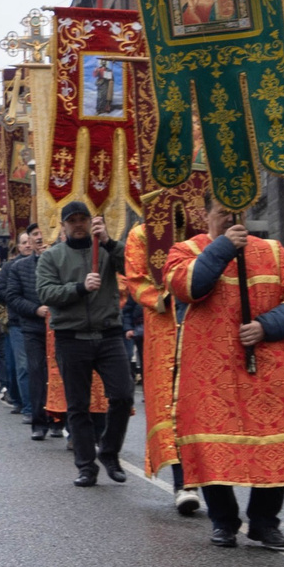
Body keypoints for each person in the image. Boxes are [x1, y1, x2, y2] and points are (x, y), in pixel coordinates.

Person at [163, 199, 284, 547]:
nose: (230, 218)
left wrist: (267, 326)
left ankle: (265, 522)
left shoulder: (273, 251)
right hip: (211, 375)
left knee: (275, 448)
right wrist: (224, 247)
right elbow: (187, 287)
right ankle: (223, 521)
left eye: (236, 213)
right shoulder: (185, 250)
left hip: (269, 369)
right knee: (211, 447)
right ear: (206, 214)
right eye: (222, 212)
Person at [38, 200, 133, 487]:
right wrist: (79, 288)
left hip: (108, 335)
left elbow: (132, 265)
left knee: (122, 396)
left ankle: (109, 452)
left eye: (83, 219)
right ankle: (85, 466)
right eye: (72, 220)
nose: (78, 224)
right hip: (71, 337)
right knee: (78, 405)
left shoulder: (104, 251)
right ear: (64, 225)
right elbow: (45, 292)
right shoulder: (52, 257)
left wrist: (109, 242)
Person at [120, 213, 193, 510]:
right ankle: (183, 483)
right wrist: (163, 296)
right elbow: (135, 279)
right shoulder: (141, 235)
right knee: (173, 406)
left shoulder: (200, 228)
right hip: (165, 328)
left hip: (205, 326)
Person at [0, 226, 50, 437]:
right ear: (19, 246)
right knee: (28, 368)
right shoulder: (14, 267)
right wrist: (34, 309)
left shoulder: (57, 260)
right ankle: (32, 412)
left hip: (57, 326)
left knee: (57, 374)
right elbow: (4, 293)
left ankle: (57, 419)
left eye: (36, 237)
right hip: (24, 324)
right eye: (27, 240)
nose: (31, 243)